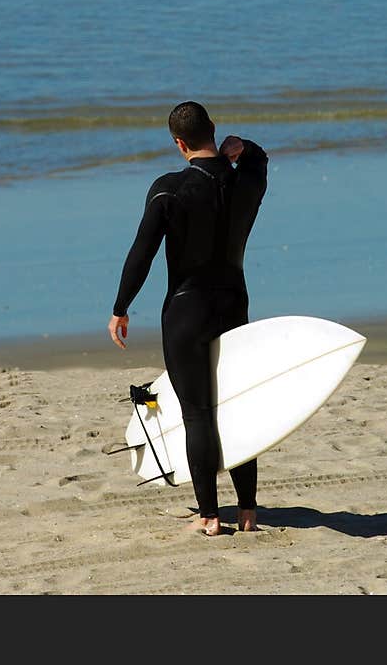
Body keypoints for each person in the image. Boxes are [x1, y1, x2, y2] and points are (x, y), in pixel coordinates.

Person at [107, 100, 268, 536]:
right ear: (215, 130)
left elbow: (142, 252)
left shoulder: (168, 189)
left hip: (186, 311)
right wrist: (245, 147)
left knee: (198, 413)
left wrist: (121, 308)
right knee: (237, 403)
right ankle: (248, 510)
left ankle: (211, 516)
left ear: (178, 143)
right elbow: (259, 159)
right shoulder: (247, 183)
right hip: (234, 303)